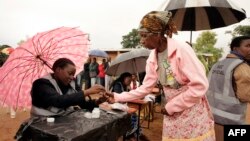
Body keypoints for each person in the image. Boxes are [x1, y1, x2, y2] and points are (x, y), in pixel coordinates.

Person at [106, 11, 215, 141]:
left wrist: (171, 106)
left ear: (157, 35)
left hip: (191, 110)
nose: (141, 41)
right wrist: (117, 96)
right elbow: (145, 88)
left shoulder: (182, 49)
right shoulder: (153, 57)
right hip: (172, 112)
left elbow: (200, 86)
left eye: (144, 36)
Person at [206, 36, 250, 141]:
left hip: (213, 118)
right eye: (248, 46)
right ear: (235, 49)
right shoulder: (242, 67)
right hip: (234, 121)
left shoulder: (216, 65)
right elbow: (246, 96)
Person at [30, 58, 106, 117]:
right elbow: (58, 101)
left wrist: (98, 101)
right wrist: (87, 92)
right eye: (70, 73)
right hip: (41, 125)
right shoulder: (41, 84)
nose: (72, 77)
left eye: (73, 74)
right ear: (58, 70)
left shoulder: (72, 83)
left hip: (61, 123)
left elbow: (82, 103)